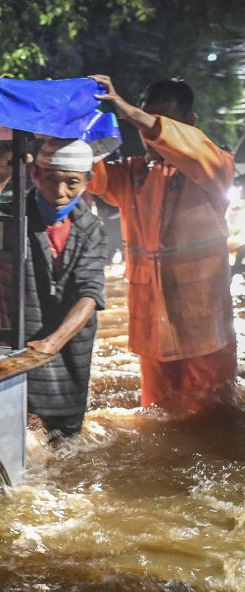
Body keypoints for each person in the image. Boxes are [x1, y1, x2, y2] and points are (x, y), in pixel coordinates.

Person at [86, 75, 237, 414]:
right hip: (153, 330)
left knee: (215, 421)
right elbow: (90, 177)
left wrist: (127, 110)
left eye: (163, 122)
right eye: (147, 119)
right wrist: (79, 120)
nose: (150, 133)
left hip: (204, 334)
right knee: (155, 422)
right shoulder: (133, 173)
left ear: (189, 123)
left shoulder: (215, 166)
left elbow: (191, 148)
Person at [0, 138, 109, 441]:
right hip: (16, 338)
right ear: (35, 174)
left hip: (70, 346)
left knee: (65, 441)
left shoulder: (92, 229)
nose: (60, 193)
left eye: (72, 183)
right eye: (51, 180)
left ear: (87, 181)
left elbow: (90, 294)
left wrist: (52, 342)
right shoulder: (13, 216)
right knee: (6, 431)